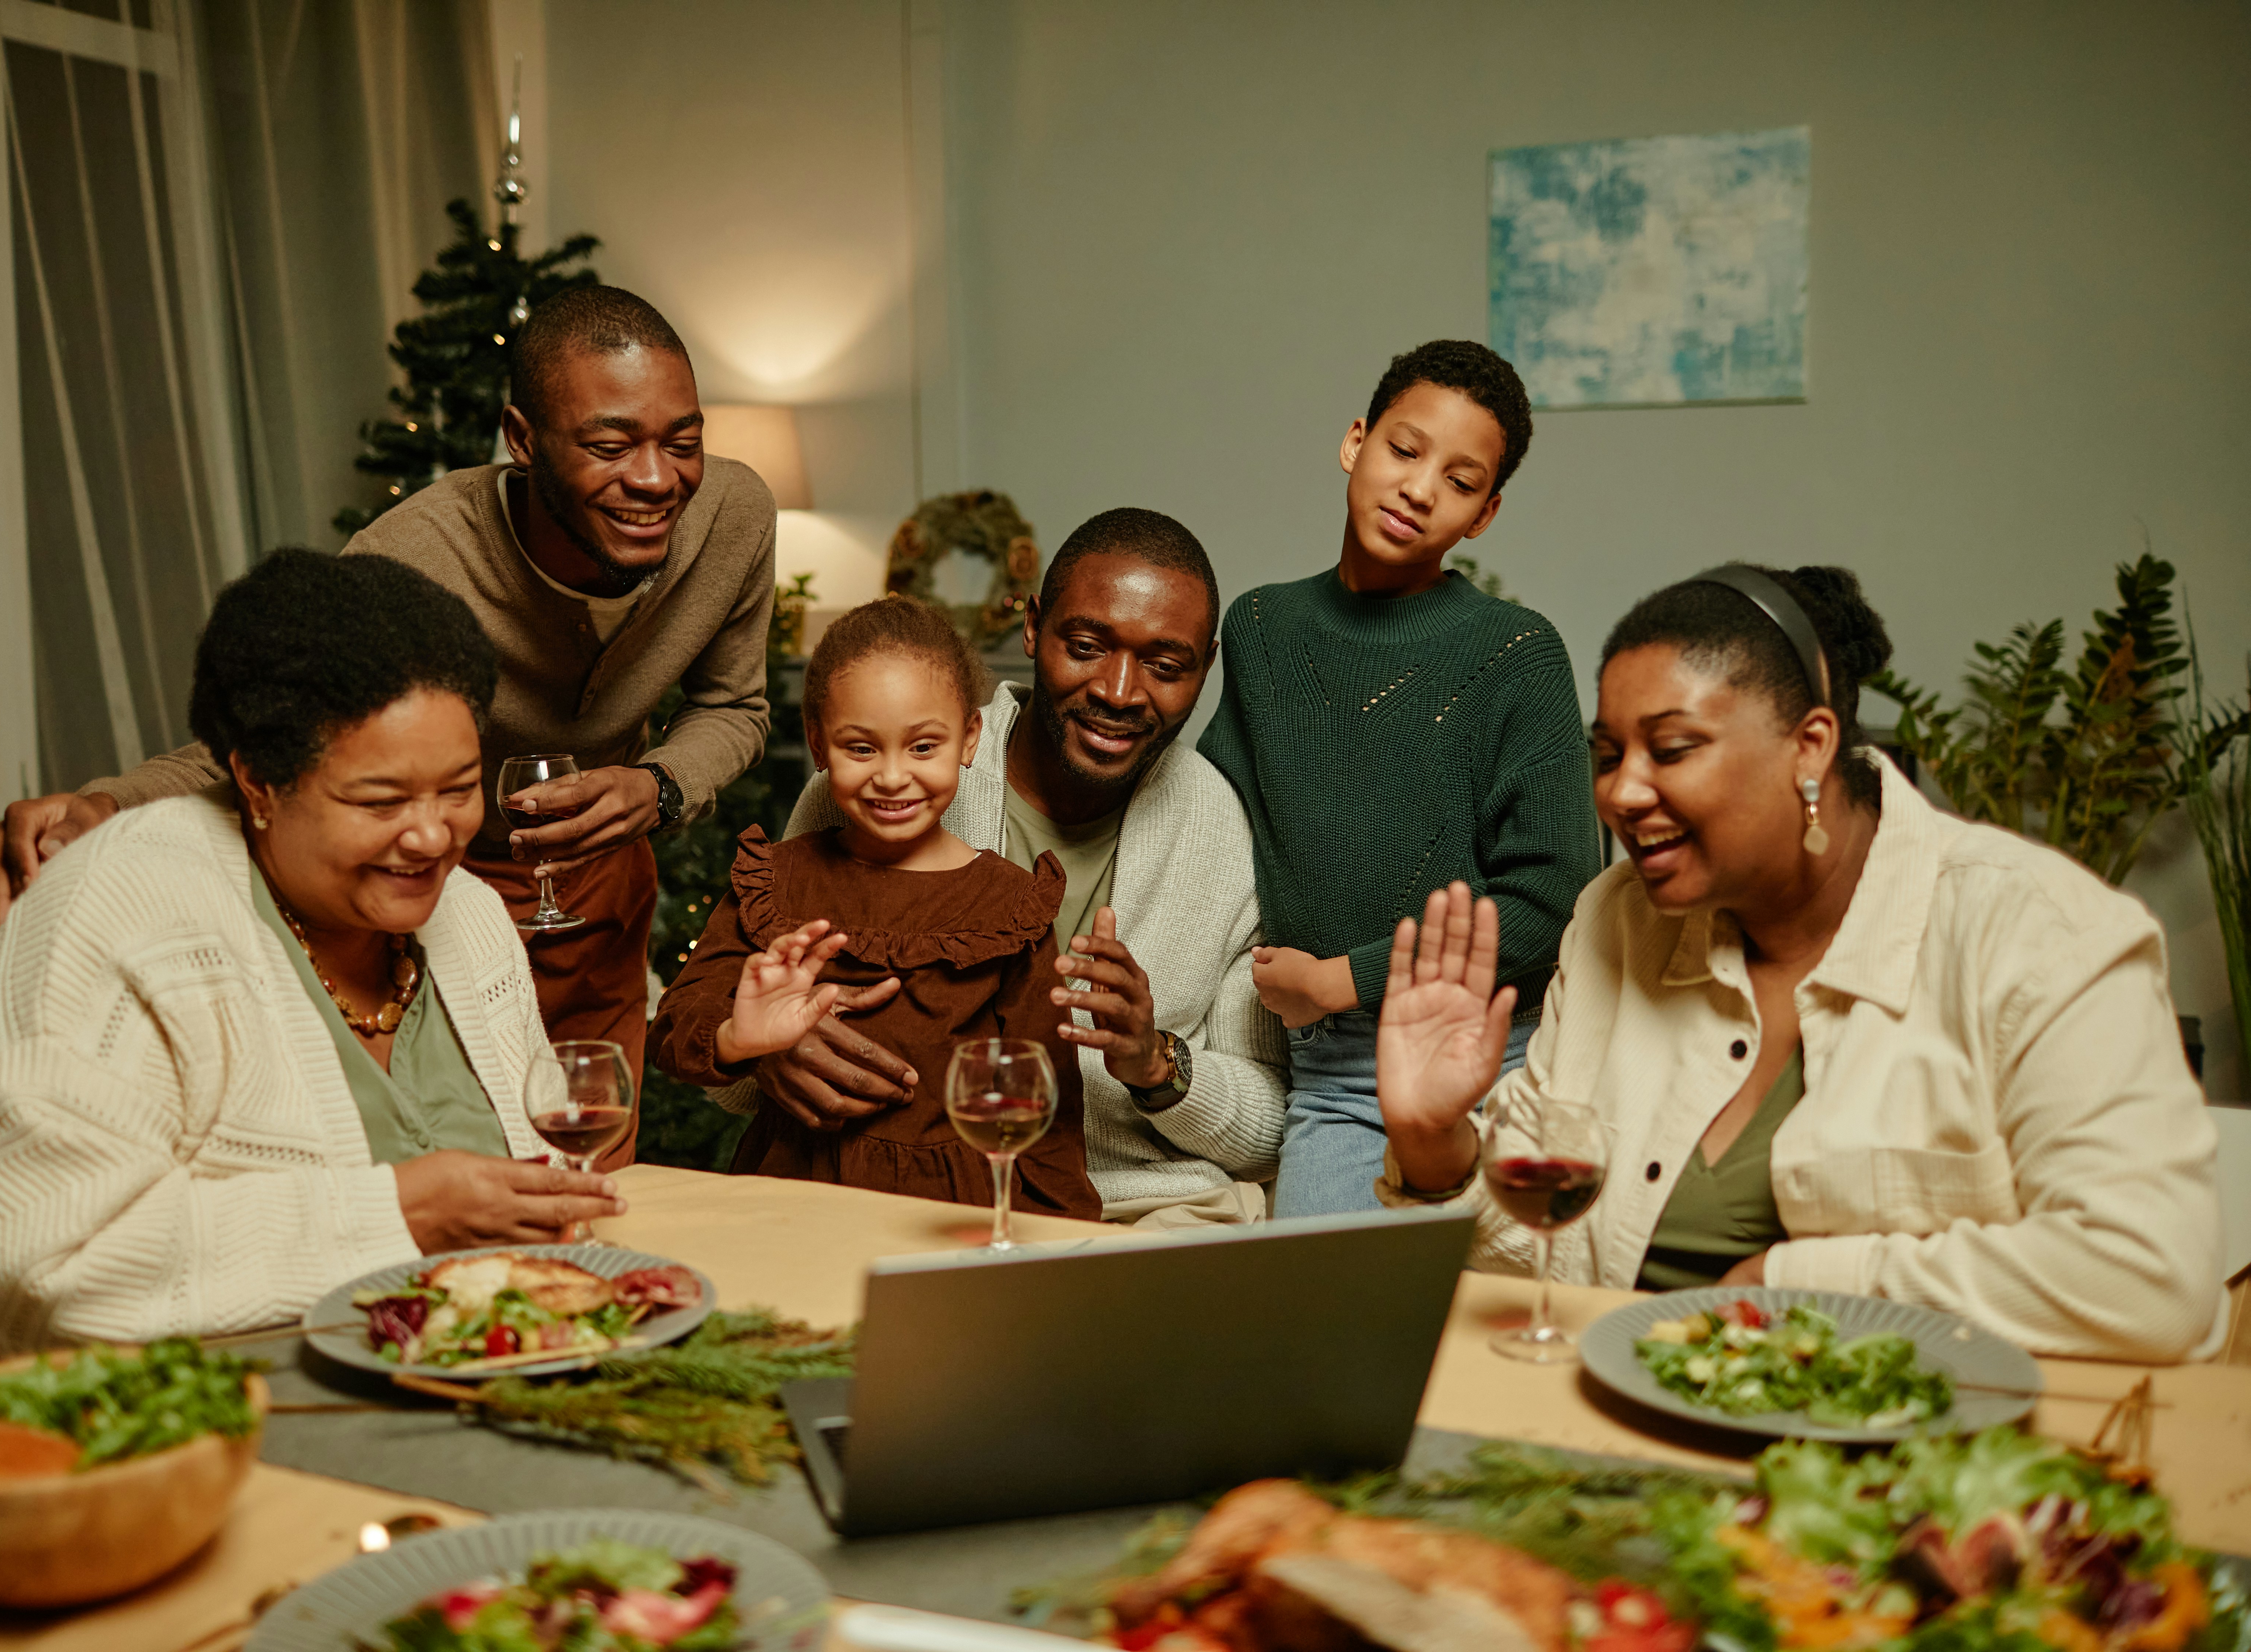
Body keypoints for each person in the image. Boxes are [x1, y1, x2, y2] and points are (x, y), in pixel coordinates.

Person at [0, 552, 627, 1482]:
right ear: (258, 781)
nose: (432, 835)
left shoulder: (467, 918)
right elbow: (17, 1258)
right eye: (379, 800)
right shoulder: (111, 913)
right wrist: (399, 1211)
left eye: (457, 788)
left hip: (353, 1444)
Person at [0, 286, 777, 1165]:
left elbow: (734, 705)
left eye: (684, 442)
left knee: (584, 1170)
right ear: (523, 438)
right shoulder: (413, 557)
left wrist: (657, 788)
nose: (658, 479)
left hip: (603, 893)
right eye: (612, 445)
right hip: (439, 898)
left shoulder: (733, 516)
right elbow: (282, 740)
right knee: (443, 1163)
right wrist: (107, 804)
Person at [1373, 563, 2227, 1363]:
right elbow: (1537, 1275)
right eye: (1608, 755)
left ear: (1811, 746)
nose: (1622, 792)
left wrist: (1790, 1288)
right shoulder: (1616, 920)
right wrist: (1433, 1143)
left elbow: (2151, 1275)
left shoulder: (2039, 931)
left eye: (1670, 749)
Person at [714, 510, 1288, 1226]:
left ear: (1204, 666)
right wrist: (769, 1053)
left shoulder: (1221, 829)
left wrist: (1157, 1061)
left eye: (1165, 666)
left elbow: (1271, 1131)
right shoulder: (880, 781)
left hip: (1136, 1206)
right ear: (1033, 626)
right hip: (888, 1191)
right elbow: (729, 1047)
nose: (1117, 689)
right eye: (1085, 646)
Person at [1198, 340, 1599, 1218]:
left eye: (1459, 481)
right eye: (1404, 450)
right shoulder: (1263, 628)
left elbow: (1554, 895)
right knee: (1322, 1332)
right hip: (1336, 1076)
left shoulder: (1515, 653)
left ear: (1486, 514)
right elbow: (1212, 822)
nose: (1420, 489)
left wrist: (1340, 979)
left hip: (1492, 1061)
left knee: (1484, 1329)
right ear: (1355, 442)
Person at [648, 596, 1096, 1217]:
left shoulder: (1010, 906)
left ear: (969, 739)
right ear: (818, 744)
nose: (892, 777)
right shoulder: (776, 879)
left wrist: (1060, 1246)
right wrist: (734, 1036)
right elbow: (674, 1030)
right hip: (788, 1201)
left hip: (950, 1213)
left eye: (922, 747)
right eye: (861, 749)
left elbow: (1048, 1114)